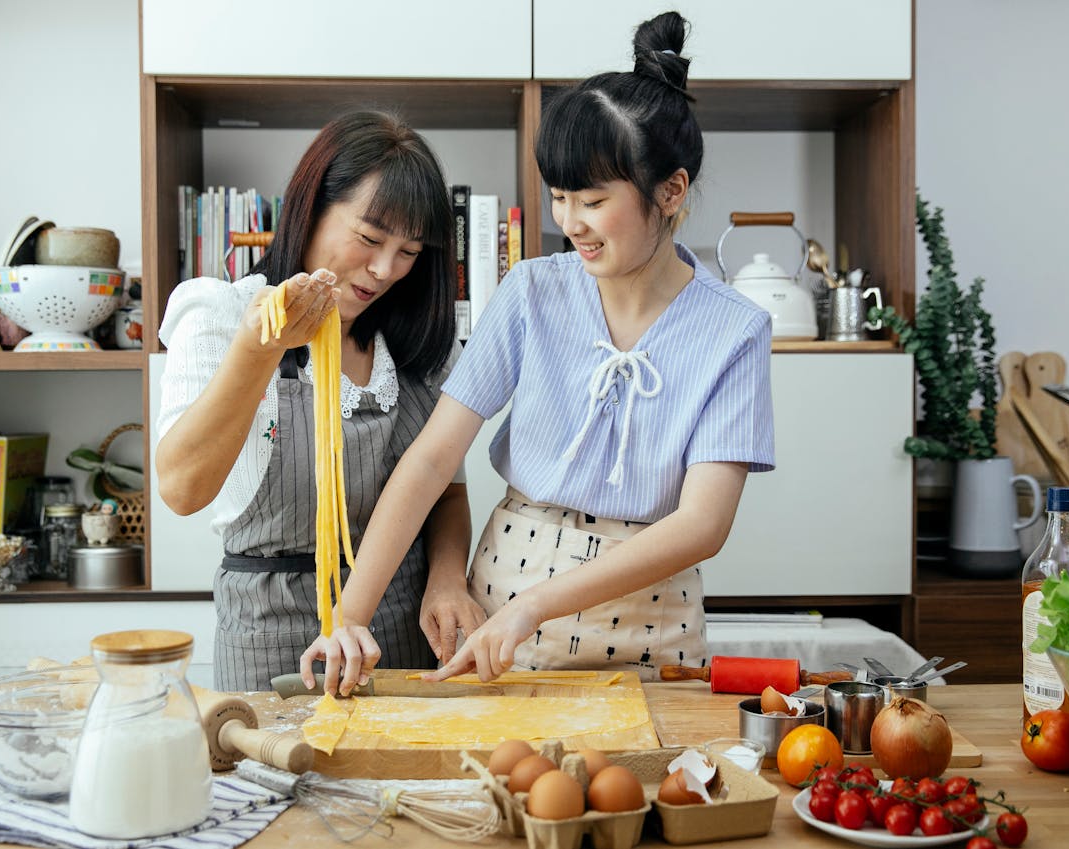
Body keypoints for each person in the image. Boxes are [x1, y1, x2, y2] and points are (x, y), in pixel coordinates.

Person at [299, 12, 775, 693]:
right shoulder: (531, 292)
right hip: (500, 622)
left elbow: (702, 523)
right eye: (559, 197)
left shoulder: (735, 329)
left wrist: (534, 606)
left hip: (651, 627)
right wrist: (349, 615)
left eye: (593, 200)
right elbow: (432, 458)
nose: (569, 223)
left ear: (670, 191)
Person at [156, 111, 486, 691]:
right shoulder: (220, 313)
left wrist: (446, 579)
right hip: (268, 635)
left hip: (399, 634)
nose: (385, 270)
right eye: (369, 238)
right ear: (310, 206)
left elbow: (446, 490)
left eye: (409, 251)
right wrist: (262, 348)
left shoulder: (417, 347)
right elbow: (182, 489)